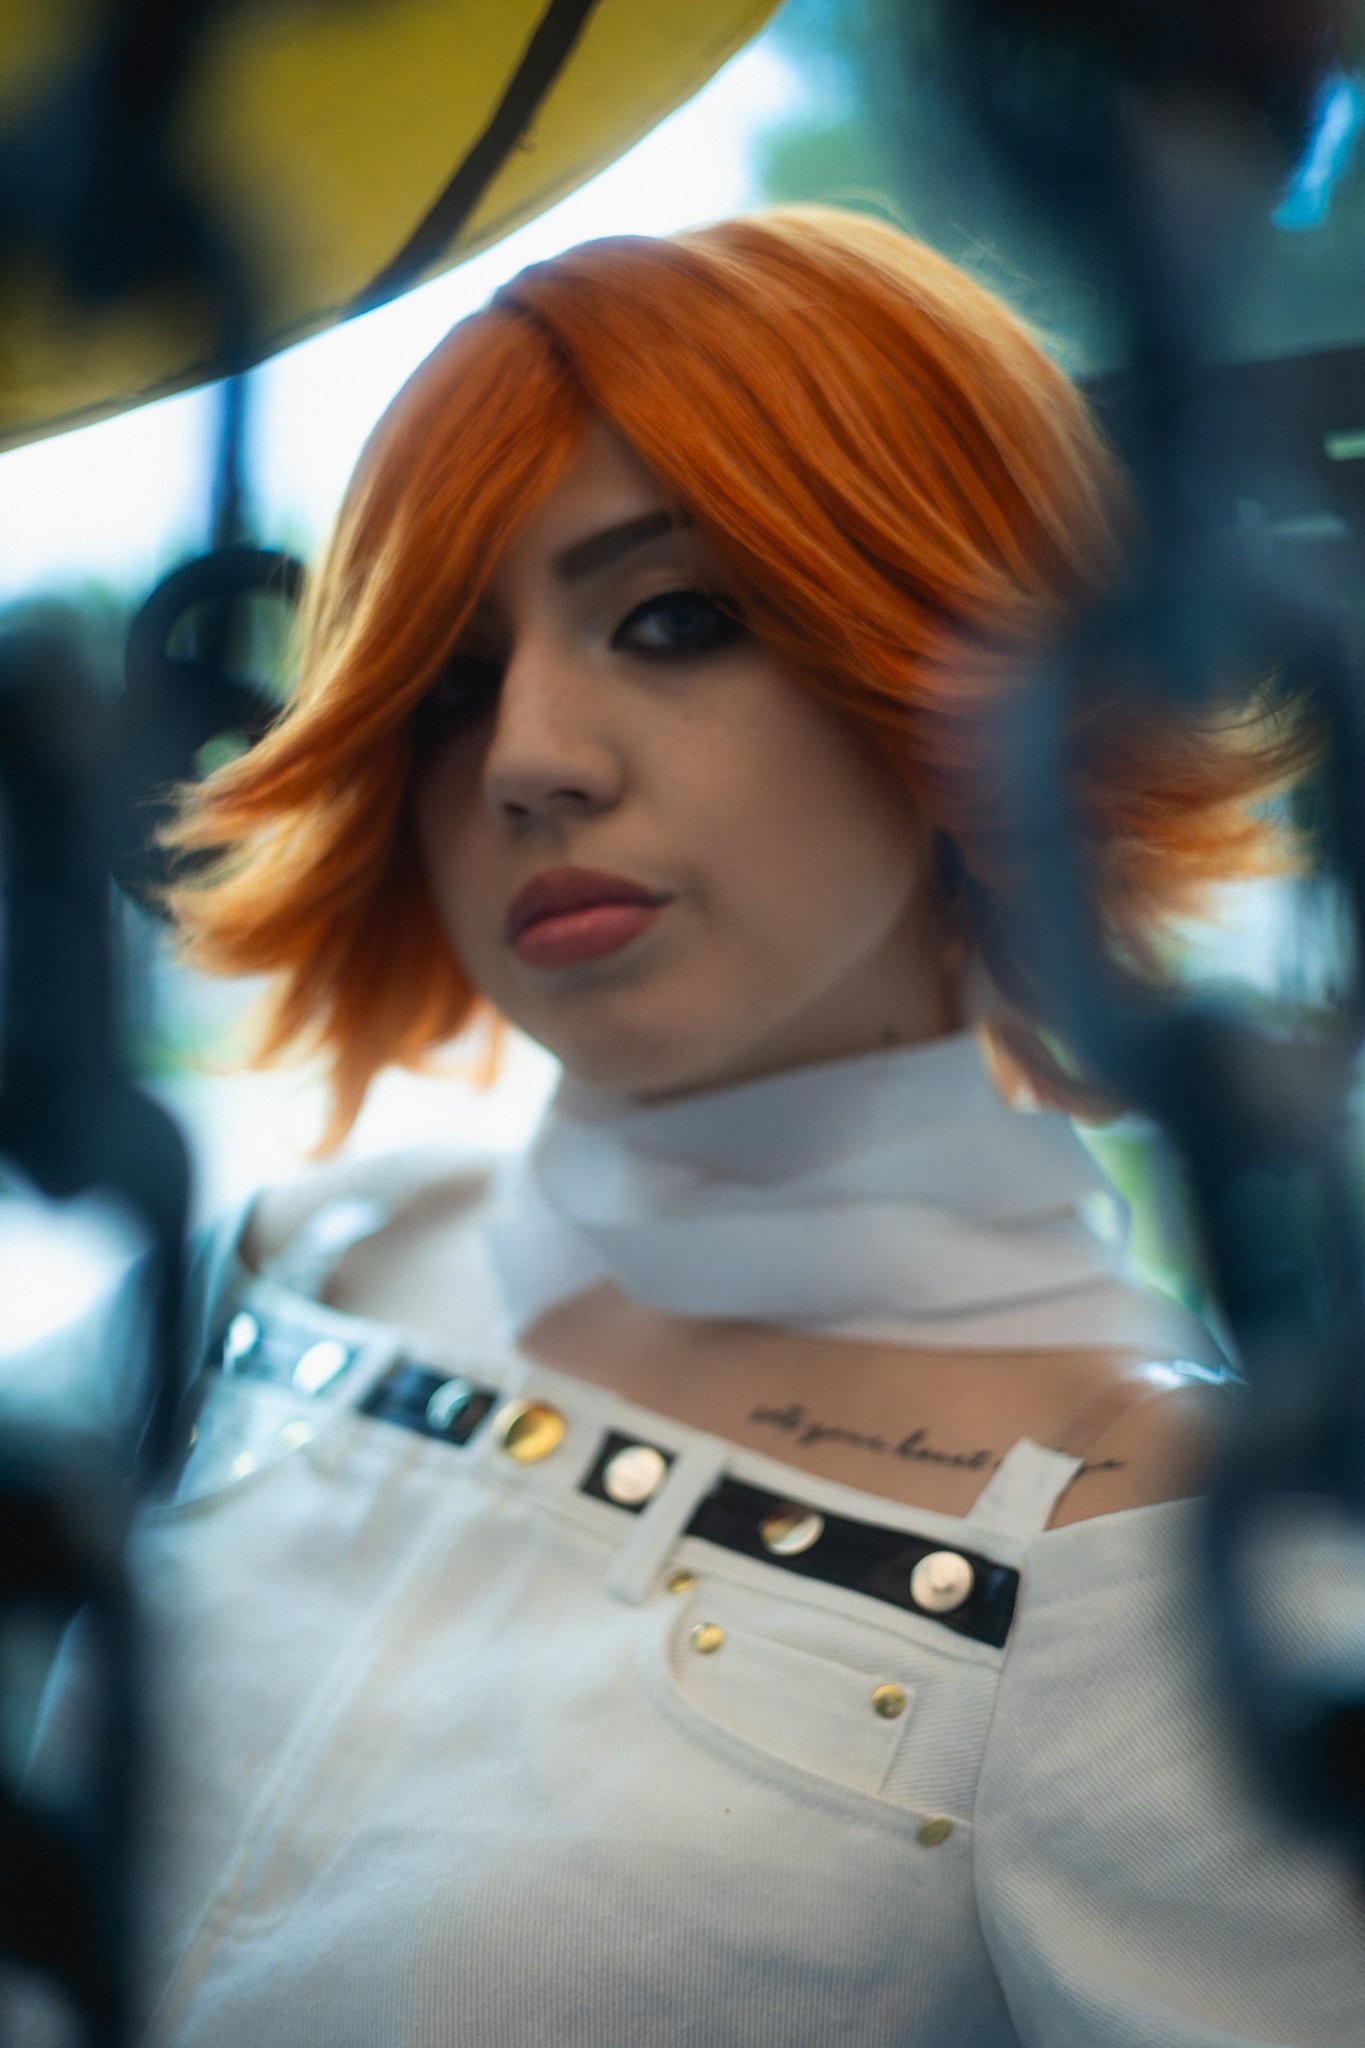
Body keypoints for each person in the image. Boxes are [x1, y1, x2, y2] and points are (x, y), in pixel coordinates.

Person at [59, 209, 1365, 2044]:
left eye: (675, 619)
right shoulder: (300, 1257)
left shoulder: (1152, 1552)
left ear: (964, 669)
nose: (530, 758)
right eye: (449, 680)